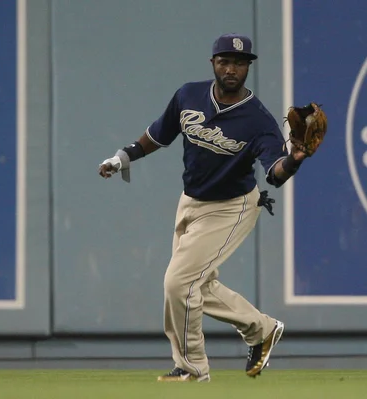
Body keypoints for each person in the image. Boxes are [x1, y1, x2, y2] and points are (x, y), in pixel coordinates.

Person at [98, 33, 307, 382]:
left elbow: (275, 174)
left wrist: (295, 160)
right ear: (213, 63)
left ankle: (191, 369)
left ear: (248, 68)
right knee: (196, 285)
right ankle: (261, 329)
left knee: (178, 283)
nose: (231, 68)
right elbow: (159, 134)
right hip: (191, 201)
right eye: (225, 61)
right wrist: (124, 156)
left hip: (231, 207)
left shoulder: (259, 121)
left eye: (240, 63)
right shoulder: (188, 95)